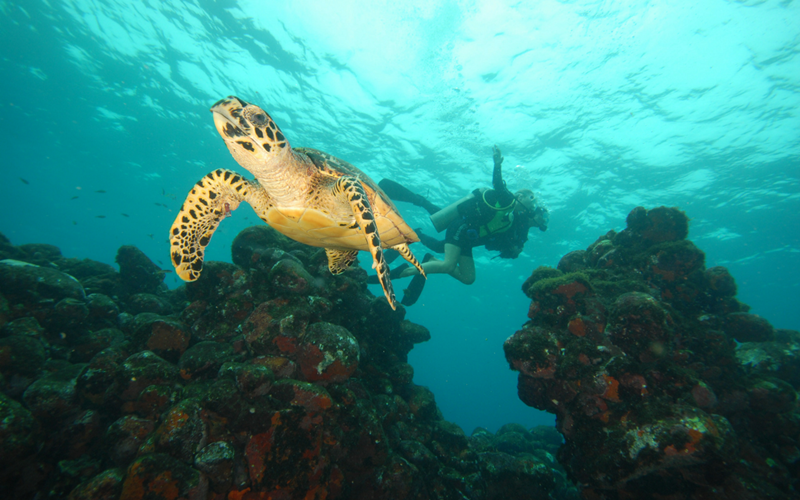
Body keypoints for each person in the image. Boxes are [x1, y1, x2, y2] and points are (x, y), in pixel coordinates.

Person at [377, 145, 549, 305]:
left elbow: (500, 242)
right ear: (520, 196)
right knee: (447, 263)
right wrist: (497, 165)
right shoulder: (507, 200)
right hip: (463, 227)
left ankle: (424, 248)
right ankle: (403, 272)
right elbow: (498, 185)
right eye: (532, 201)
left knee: (466, 276)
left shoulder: (519, 225)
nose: (534, 208)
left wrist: (513, 250)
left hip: (470, 238)